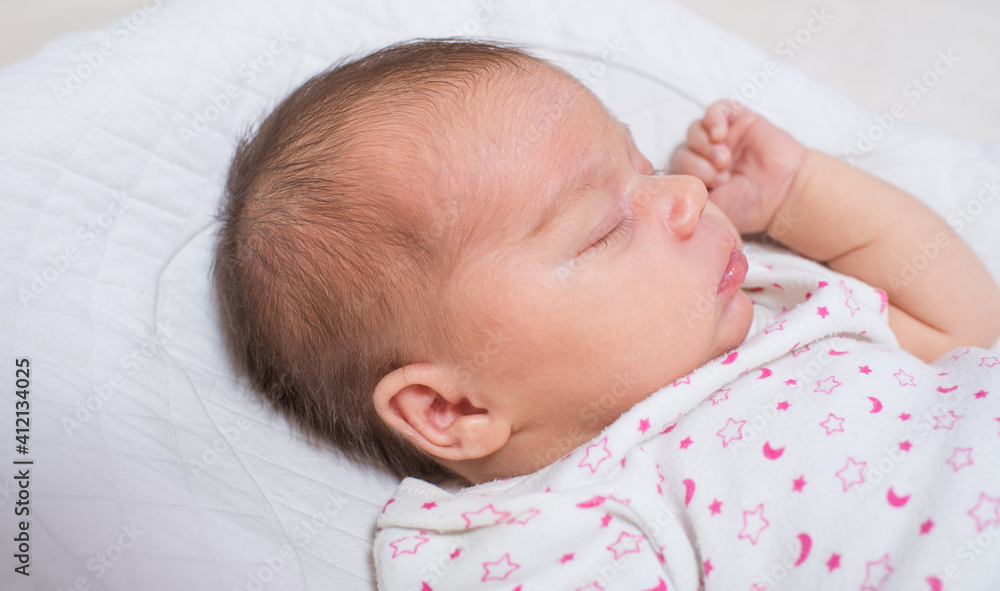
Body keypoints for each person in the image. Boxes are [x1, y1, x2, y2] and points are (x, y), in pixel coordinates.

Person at [212, 39, 1000, 589]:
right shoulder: (554, 525)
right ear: (452, 407)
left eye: (645, 167)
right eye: (605, 227)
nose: (685, 194)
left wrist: (803, 198)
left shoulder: (777, 312)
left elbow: (967, 330)